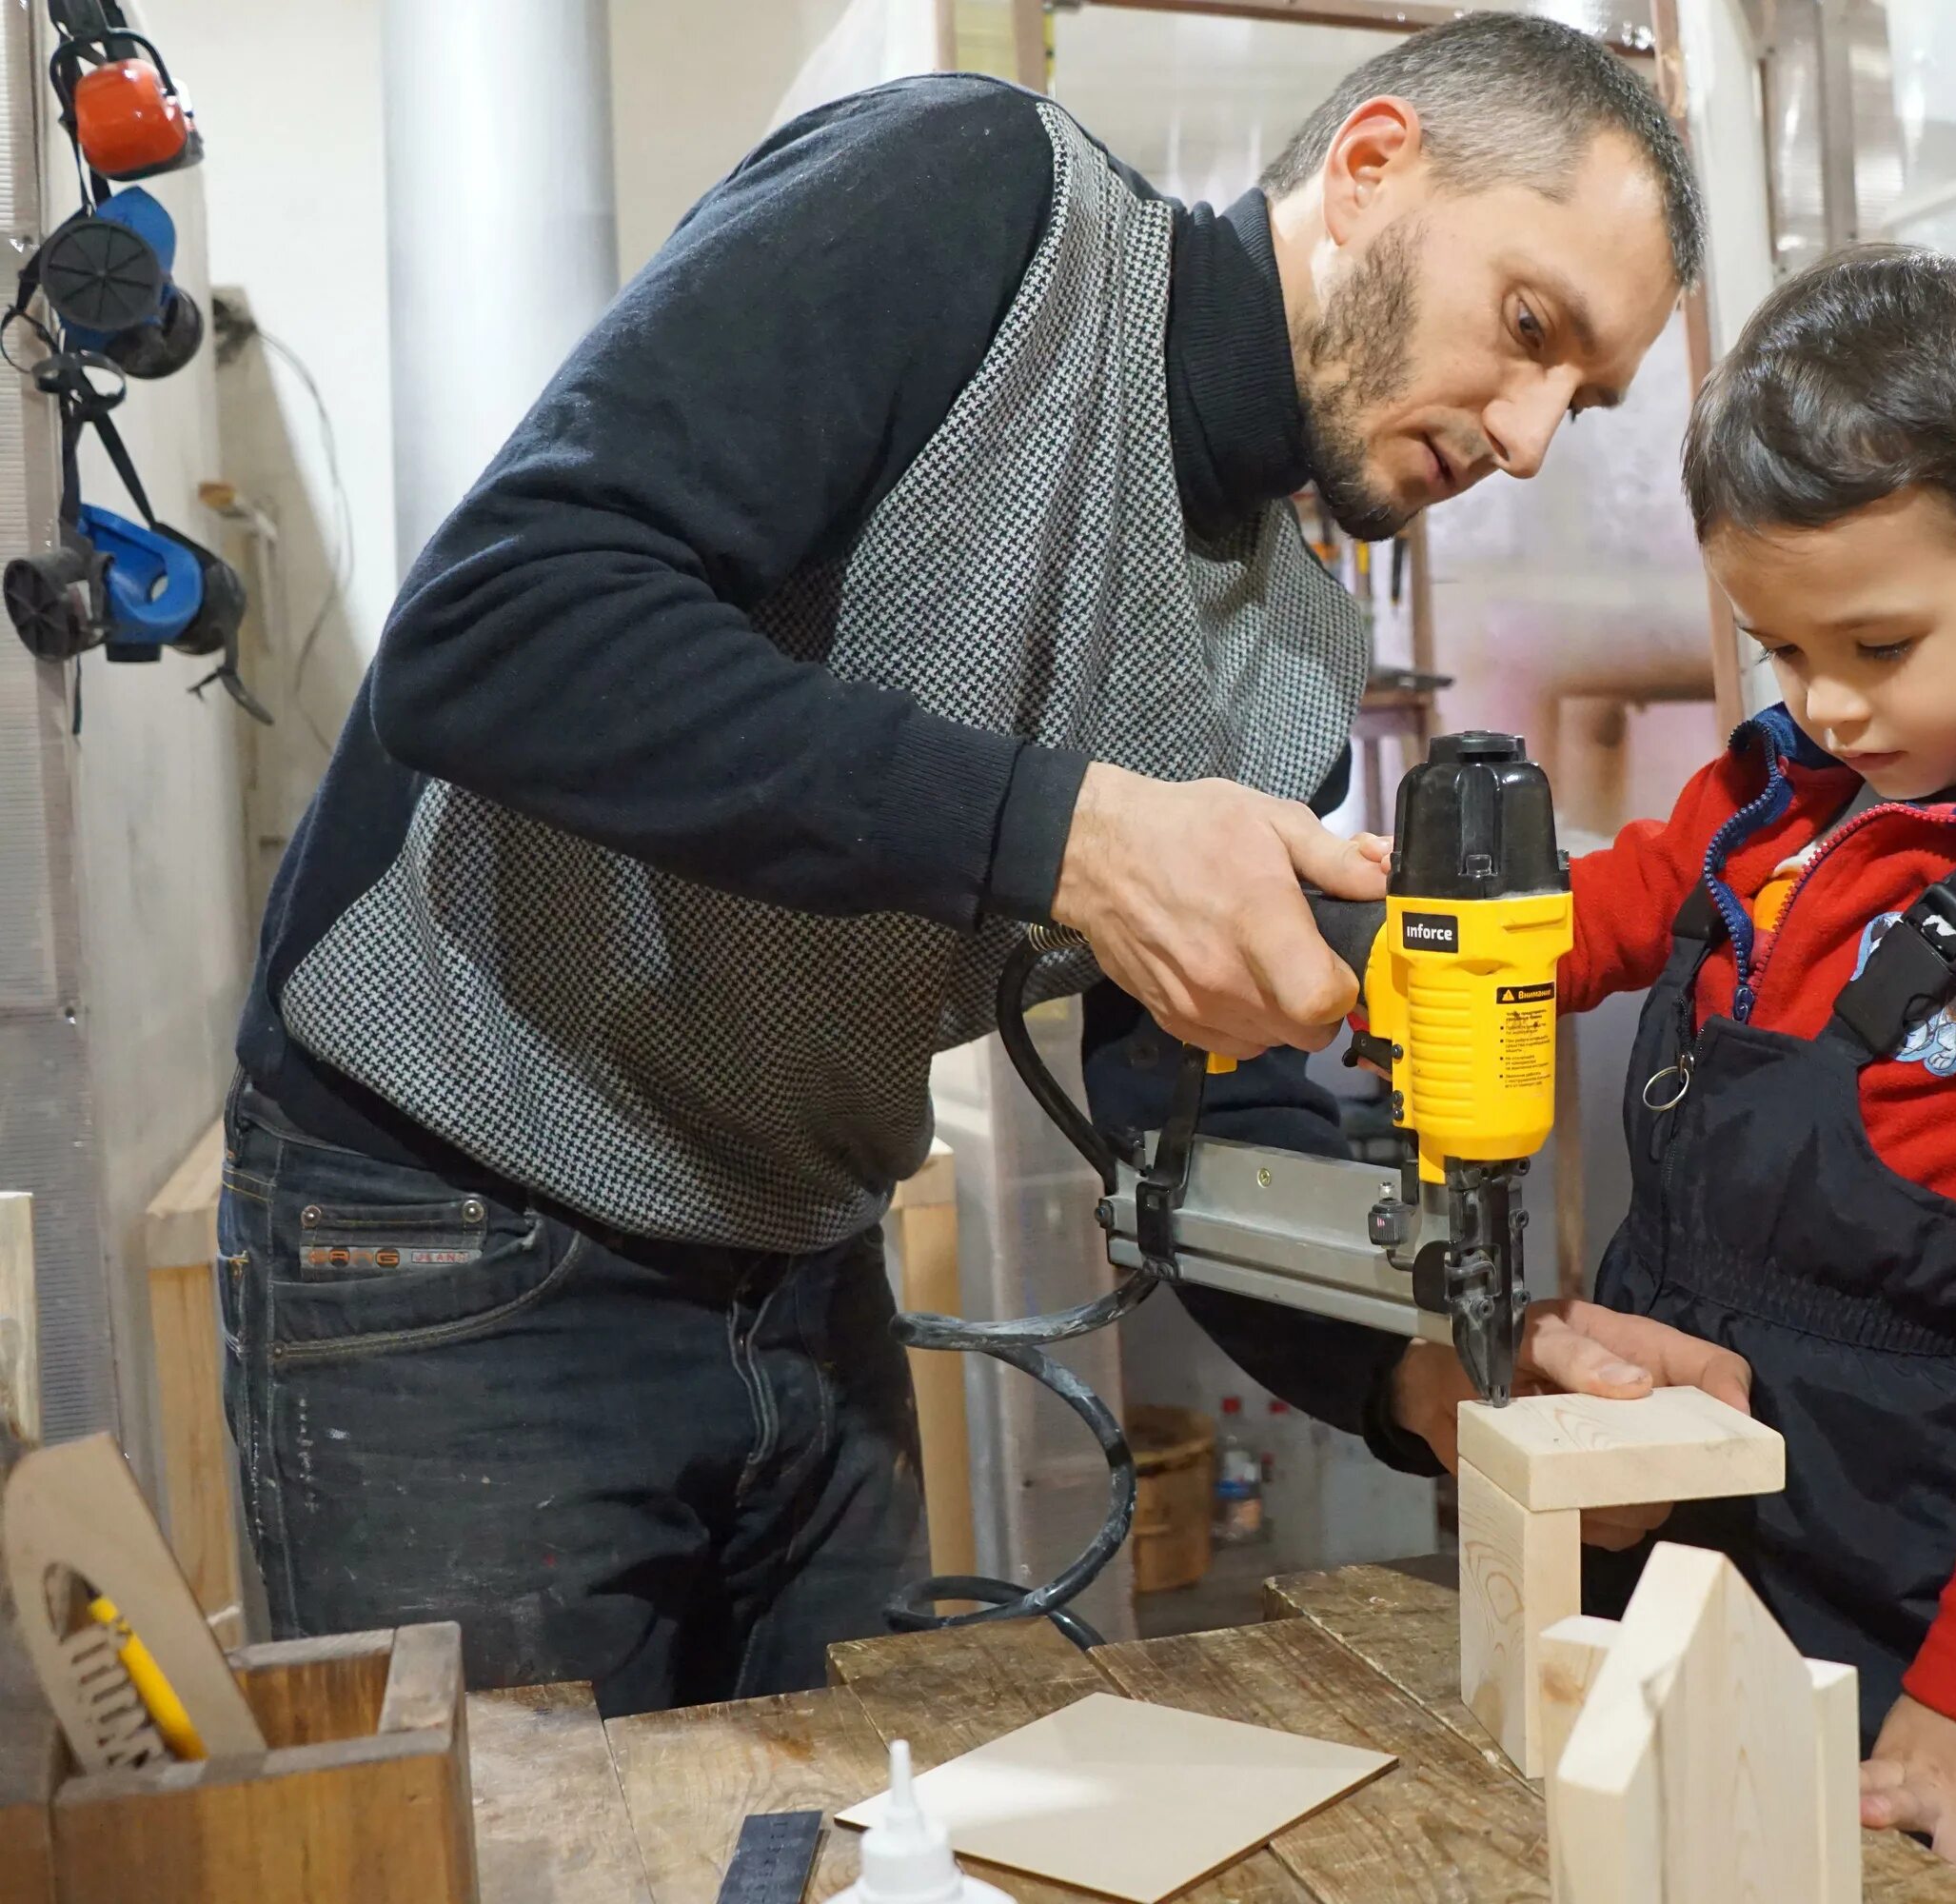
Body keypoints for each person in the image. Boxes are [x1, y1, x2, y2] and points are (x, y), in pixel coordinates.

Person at [219, 17, 1709, 1716]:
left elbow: (1200, 1125)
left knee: (855, 1846)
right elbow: (496, 635)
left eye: (1578, 402)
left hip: (803, 1264)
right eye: (1529, 330)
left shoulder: (1294, 660)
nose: (1527, 434)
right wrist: (1069, 835)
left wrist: (1435, 1374)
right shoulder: (981, 207)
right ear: (1372, 168)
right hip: (457, 1229)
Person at [1382, 248, 1956, 1895]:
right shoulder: (1770, 801)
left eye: (1877, 642)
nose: (1828, 704)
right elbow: (1586, 924)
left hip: (1913, 1605)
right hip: (1673, 1542)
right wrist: (1380, 951)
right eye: (1779, 648)